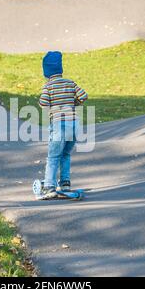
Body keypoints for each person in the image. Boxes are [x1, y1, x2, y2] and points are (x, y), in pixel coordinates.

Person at [38, 51, 88, 199]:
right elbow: (84, 96)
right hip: (74, 125)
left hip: (59, 125)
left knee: (53, 156)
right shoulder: (69, 82)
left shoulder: (48, 86)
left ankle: (49, 186)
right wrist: (74, 103)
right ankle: (65, 183)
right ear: (60, 69)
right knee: (65, 154)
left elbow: (43, 103)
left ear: (46, 72)